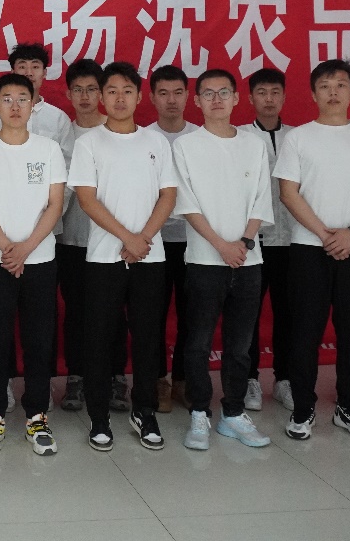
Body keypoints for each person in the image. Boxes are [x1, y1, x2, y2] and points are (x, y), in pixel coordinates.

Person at [274, 59, 350, 443]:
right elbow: (288, 193)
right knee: (304, 330)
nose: (333, 92)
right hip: (309, 248)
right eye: (325, 86)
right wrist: (325, 234)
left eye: (341, 85)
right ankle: (303, 408)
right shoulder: (299, 138)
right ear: (313, 94)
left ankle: (349, 408)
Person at [69, 62, 176, 452]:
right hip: (104, 257)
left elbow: (168, 195)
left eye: (127, 91)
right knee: (99, 337)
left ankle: (144, 411)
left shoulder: (156, 142)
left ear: (139, 96)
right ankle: (99, 416)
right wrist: (127, 237)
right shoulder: (89, 144)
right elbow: (86, 199)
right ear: (101, 96)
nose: (119, 98)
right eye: (111, 91)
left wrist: (142, 239)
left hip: (150, 256)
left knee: (147, 337)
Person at [173, 69, 274, 452]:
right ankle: (199, 411)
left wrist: (243, 242)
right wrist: (220, 244)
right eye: (208, 93)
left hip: (249, 260)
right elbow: (187, 203)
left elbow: (261, 198)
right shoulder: (186, 146)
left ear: (236, 99)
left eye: (224, 92)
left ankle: (233, 413)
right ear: (197, 101)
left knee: (240, 346)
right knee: (198, 343)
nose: (216, 99)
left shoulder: (253, 145)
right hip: (203, 260)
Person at [0, 73, 66, 456]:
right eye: (6, 99)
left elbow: (55, 204)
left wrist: (26, 248)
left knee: (39, 341)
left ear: (33, 104)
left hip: (39, 260)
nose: (15, 106)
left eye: (22, 98)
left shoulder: (49, 149)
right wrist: (9, 248)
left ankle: (37, 416)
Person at [238, 68, 296, 412]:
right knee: (248, 313)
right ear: (250, 98)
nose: (269, 99)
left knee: (288, 313)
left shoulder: (298, 137)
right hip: (253, 241)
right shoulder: (241, 137)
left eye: (275, 92)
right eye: (262, 93)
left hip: (292, 241)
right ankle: (250, 379)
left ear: (284, 97)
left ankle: (285, 378)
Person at [145, 64, 197, 414]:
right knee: (152, 315)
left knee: (192, 314)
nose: (171, 100)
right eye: (163, 93)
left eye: (178, 92)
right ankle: (157, 380)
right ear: (151, 97)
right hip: (154, 242)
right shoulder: (143, 137)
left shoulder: (200, 137)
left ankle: (183, 379)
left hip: (195, 240)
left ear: (188, 96)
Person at [56, 59, 104, 412]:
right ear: (68, 94)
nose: (84, 96)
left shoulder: (116, 130)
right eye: (78, 90)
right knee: (75, 311)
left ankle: (113, 377)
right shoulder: (63, 135)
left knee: (112, 312)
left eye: (91, 89)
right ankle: (76, 377)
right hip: (70, 239)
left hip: (112, 240)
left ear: (102, 93)